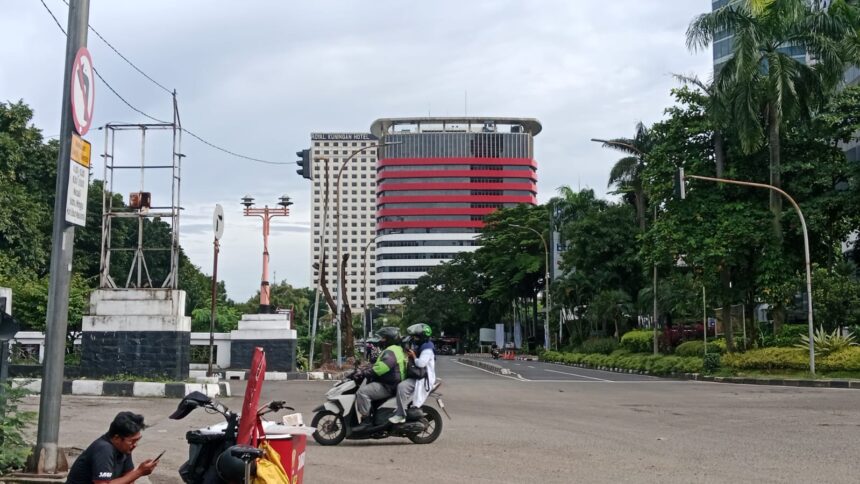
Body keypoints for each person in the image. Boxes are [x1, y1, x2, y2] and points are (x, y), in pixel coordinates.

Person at [66, 411, 158, 484]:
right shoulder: (104, 449)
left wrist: (137, 473)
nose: (134, 445)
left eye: (137, 440)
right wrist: (139, 472)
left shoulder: (124, 449)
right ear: (117, 438)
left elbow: (129, 478)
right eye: (132, 441)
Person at [352, 326, 406, 430]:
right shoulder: (396, 349)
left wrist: (365, 373)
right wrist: (365, 368)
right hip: (391, 383)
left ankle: (366, 421)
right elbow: (379, 364)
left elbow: (382, 367)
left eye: (383, 338)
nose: (381, 340)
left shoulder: (391, 351)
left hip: (388, 385)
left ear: (389, 339)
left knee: (362, 393)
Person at [390, 323, 436, 424]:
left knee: (402, 387)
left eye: (416, 337)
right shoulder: (421, 345)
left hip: (423, 378)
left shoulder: (427, 348)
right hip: (418, 375)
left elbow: (421, 363)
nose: (414, 339)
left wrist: (414, 356)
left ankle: (400, 414)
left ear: (423, 337)